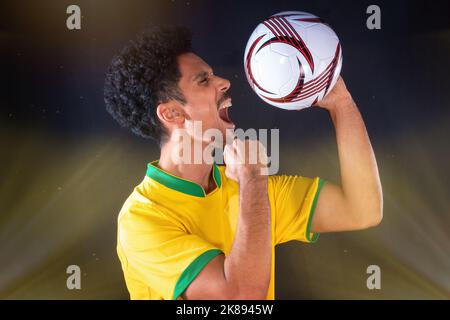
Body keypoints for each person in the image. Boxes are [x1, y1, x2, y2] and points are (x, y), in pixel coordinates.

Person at [104, 26, 383, 300]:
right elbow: (240, 299)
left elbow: (362, 210)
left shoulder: (251, 190)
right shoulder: (141, 219)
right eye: (204, 80)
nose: (224, 82)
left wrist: (341, 104)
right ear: (173, 113)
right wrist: (253, 180)